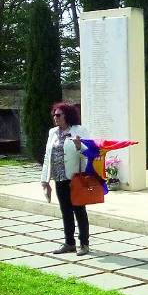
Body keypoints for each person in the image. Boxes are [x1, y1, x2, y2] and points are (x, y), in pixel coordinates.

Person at [40, 102, 91, 256]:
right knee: (65, 211)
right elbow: (47, 156)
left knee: (79, 211)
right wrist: (45, 180)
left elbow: (88, 154)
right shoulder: (53, 132)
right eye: (54, 115)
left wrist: (78, 146)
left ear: (67, 116)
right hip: (59, 178)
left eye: (58, 115)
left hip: (75, 178)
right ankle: (69, 243)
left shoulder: (79, 130)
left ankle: (84, 244)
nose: (55, 118)